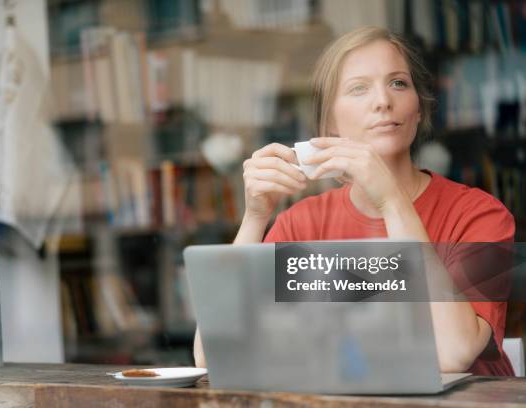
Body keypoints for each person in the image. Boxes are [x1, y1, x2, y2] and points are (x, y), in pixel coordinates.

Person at [193, 26, 515, 376]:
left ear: (419, 109)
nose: (382, 101)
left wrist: (392, 202)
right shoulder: (302, 224)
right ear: (330, 122)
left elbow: (453, 354)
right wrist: (254, 218)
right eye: (358, 88)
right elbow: (214, 355)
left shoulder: (480, 215)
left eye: (398, 83)